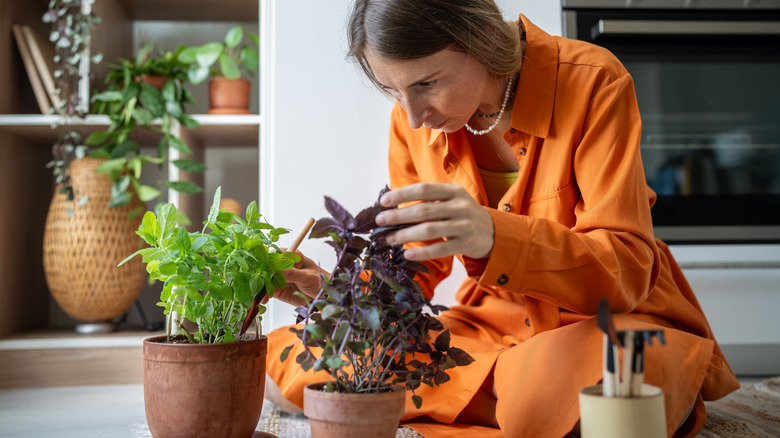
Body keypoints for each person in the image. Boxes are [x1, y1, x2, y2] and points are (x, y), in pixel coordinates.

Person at [264, 0, 740, 436]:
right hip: (487, 327)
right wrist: (335, 295)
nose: (413, 117)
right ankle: (518, 402)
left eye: (427, 83)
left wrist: (495, 235)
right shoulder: (409, 123)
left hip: (608, 321)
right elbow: (413, 266)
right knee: (281, 352)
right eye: (394, 90)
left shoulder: (595, 80)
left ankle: (471, 398)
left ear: (480, 39)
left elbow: (627, 265)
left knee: (590, 373)